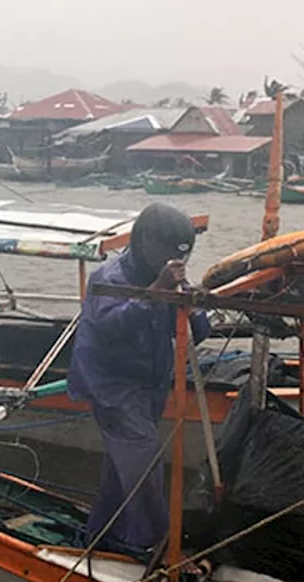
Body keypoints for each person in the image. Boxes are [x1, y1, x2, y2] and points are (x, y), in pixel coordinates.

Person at [67, 202, 210, 554]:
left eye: (184, 256)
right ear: (144, 241)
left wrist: (193, 305)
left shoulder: (169, 275)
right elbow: (112, 324)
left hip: (150, 384)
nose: (176, 264)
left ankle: (102, 537)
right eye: (169, 254)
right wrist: (156, 293)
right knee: (144, 464)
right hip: (112, 387)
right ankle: (154, 548)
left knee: (121, 472)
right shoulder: (110, 277)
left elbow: (200, 330)